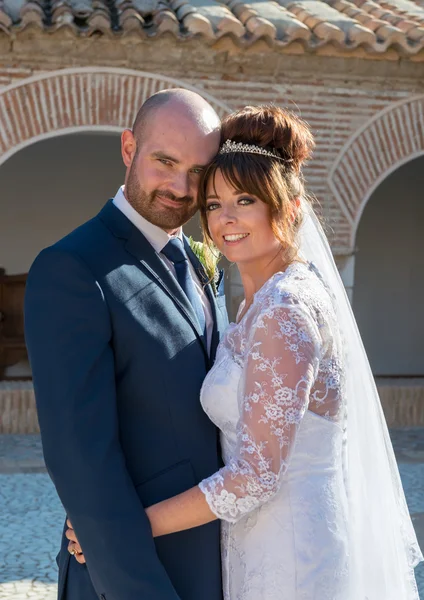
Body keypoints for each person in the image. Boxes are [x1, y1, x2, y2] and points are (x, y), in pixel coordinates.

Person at [68, 104, 423, 599]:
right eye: (212, 204)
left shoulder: (284, 309)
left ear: (288, 208)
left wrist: (123, 528)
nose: (225, 219)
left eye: (245, 200)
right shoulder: (262, 299)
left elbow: (254, 477)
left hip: (292, 554)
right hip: (259, 540)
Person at [24, 88, 229, 600]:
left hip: (220, 562)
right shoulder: (72, 268)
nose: (181, 188)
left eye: (199, 171)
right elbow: (81, 459)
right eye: (165, 161)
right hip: (137, 576)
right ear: (127, 148)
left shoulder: (200, 262)